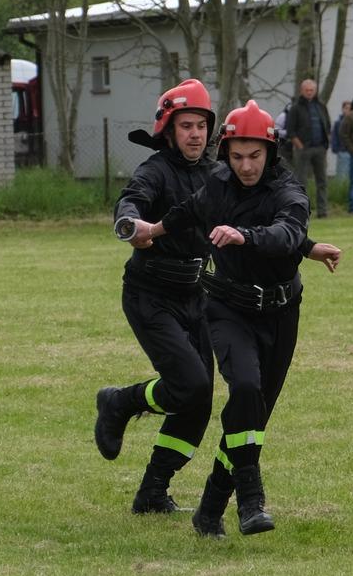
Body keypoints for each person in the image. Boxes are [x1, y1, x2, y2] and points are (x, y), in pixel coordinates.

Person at [143, 101, 342, 537]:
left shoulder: (289, 190)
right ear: (226, 153)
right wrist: (152, 231)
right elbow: (188, 211)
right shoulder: (217, 184)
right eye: (236, 156)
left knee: (252, 415)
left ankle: (210, 508)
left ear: (271, 152)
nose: (246, 166)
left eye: (255, 156)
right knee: (246, 389)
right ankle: (251, 499)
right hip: (227, 308)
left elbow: (285, 231)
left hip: (281, 313)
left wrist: (293, 244)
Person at [95, 80, 220, 516]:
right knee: (191, 386)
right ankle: (120, 402)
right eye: (186, 126)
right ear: (168, 129)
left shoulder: (215, 175)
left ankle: (152, 492)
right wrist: (131, 226)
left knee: (198, 401)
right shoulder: (155, 170)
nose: (195, 134)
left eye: (201, 125)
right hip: (150, 296)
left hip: (196, 297)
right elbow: (130, 203)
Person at [283, 77, 331, 219]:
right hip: (303, 149)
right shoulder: (295, 108)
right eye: (307, 90)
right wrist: (300, 146)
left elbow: (327, 125)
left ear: (315, 91)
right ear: (302, 91)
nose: (309, 92)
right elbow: (290, 131)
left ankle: (323, 211)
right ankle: (302, 211)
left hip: (320, 148)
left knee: (322, 181)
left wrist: (326, 143)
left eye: (312, 90)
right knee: (301, 181)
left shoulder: (321, 106)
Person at [331, 100, 352, 181]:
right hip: (342, 152)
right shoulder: (338, 123)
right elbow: (334, 137)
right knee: (341, 175)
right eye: (346, 108)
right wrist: (337, 149)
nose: (348, 110)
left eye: (350, 108)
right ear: (343, 109)